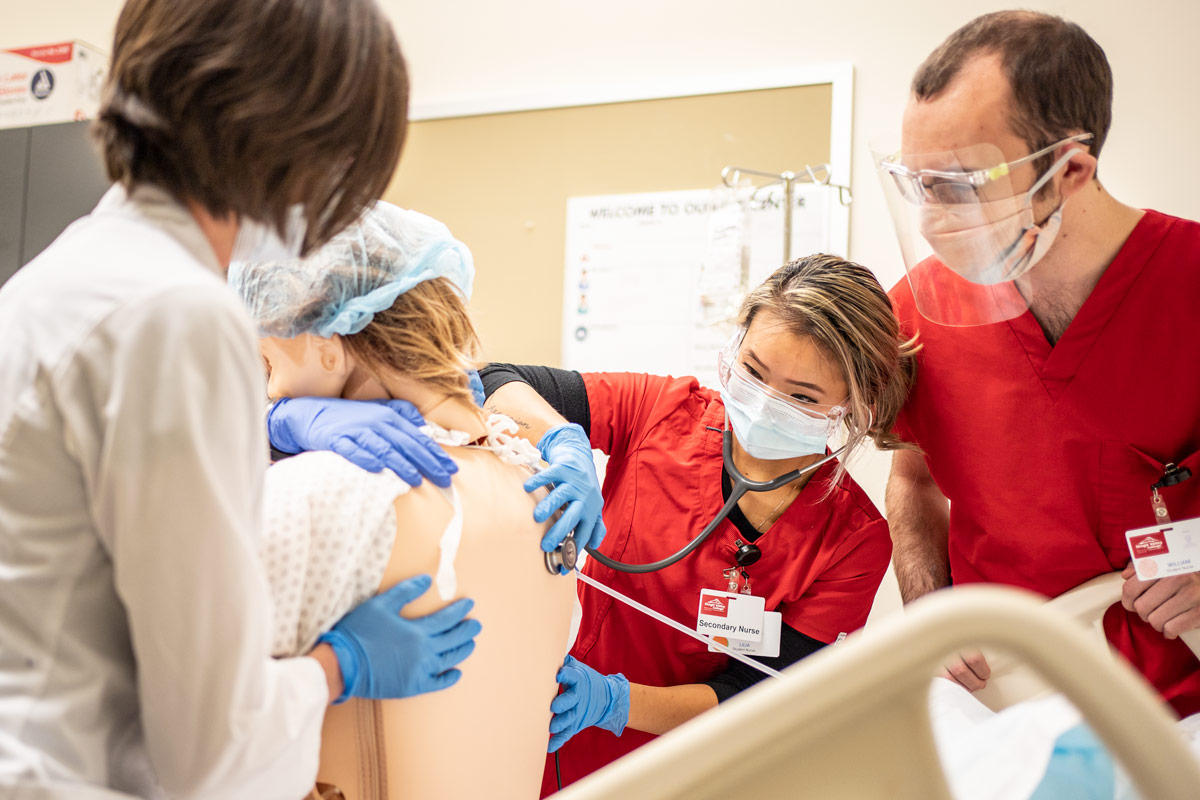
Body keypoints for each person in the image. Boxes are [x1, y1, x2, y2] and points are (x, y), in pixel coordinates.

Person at [0, 2, 479, 798]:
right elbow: (211, 752)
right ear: (297, 140)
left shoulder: (57, 279)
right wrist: (337, 667)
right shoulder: (175, 313)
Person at [480, 254, 918, 792]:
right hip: (550, 732)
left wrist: (614, 701)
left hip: (697, 769)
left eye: (802, 397)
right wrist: (559, 439)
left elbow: (761, 696)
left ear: (857, 403)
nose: (764, 403)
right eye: (754, 372)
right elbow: (497, 381)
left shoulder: (853, 540)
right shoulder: (660, 412)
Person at [878, 10, 1200, 716]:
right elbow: (913, 478)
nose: (932, 222)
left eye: (957, 186)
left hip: (1182, 687)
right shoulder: (920, 310)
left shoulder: (1189, 282)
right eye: (917, 185)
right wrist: (929, 607)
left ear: (1070, 171)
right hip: (1012, 693)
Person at [231, 201, 576, 799]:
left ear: (326, 343)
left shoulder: (316, 497)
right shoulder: (545, 492)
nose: (269, 392)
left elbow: (187, 729)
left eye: (265, 362)